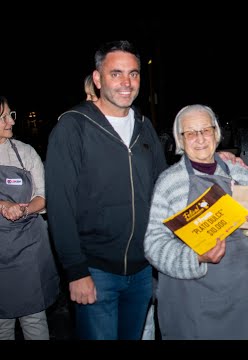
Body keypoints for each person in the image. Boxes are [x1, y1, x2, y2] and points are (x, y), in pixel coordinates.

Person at [45, 40, 169, 340]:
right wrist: (76, 271)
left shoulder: (144, 126)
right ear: (98, 79)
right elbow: (60, 206)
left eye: (134, 74)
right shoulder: (73, 127)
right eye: (116, 73)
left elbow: (164, 189)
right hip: (96, 271)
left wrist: (212, 159)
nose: (127, 82)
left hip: (142, 269)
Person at [143, 104, 248, 340]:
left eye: (206, 130)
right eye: (190, 133)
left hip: (245, 291)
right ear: (181, 139)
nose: (200, 139)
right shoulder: (170, 182)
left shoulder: (237, 173)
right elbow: (154, 246)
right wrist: (195, 257)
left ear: (216, 133)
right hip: (196, 297)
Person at [0, 96, 59, 340]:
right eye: (3, 117)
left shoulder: (25, 152)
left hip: (28, 252)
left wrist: (24, 209)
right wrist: (2, 205)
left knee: (35, 320)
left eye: (10, 115)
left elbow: (43, 196)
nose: (11, 122)